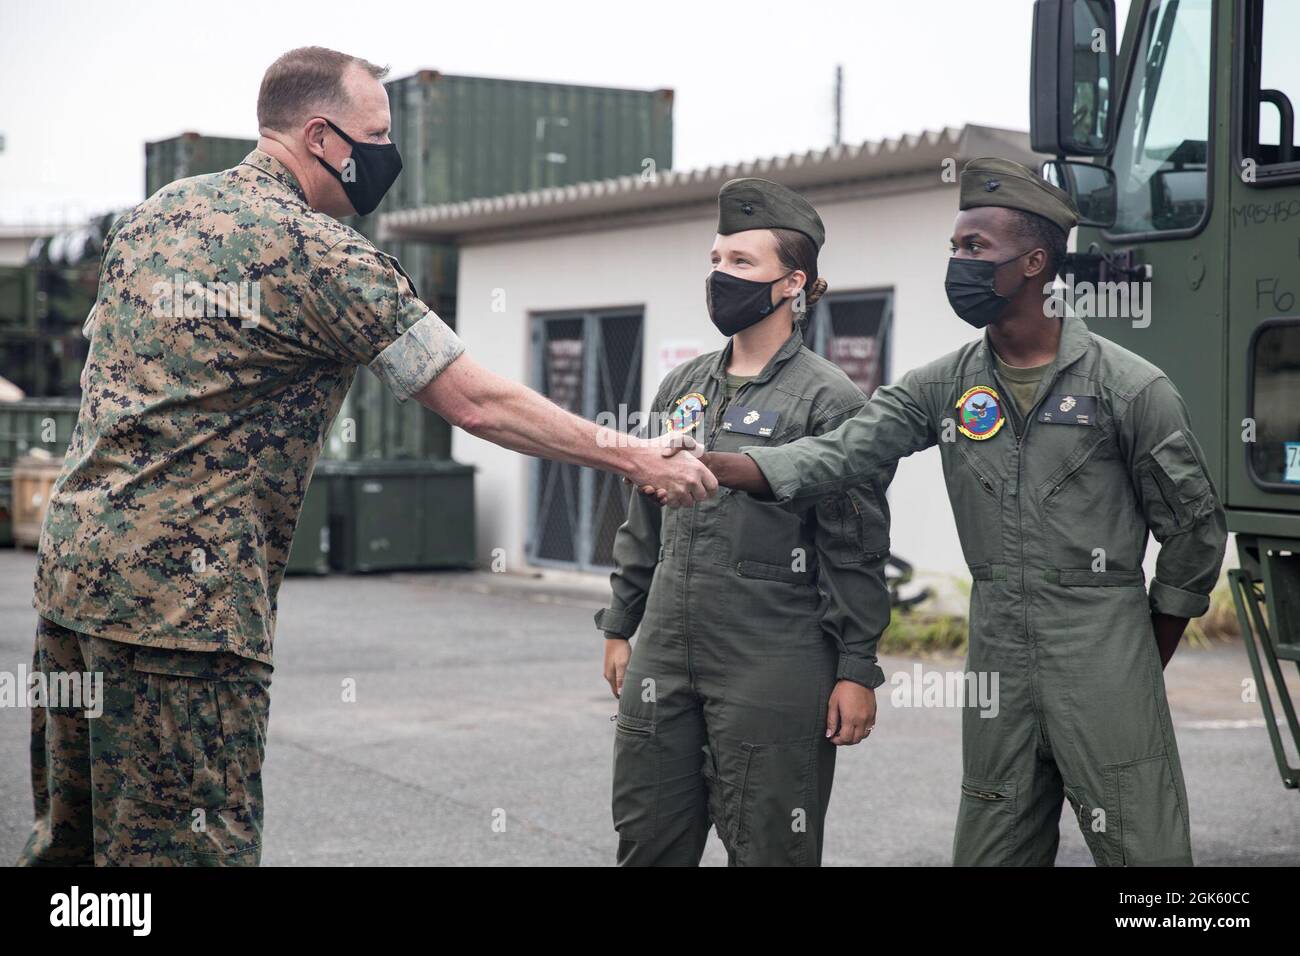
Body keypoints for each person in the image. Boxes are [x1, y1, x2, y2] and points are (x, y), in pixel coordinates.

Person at [19, 46, 712, 867]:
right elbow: (474, 401)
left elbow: (116, 363)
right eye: (376, 135)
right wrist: (634, 456)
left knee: (70, 851)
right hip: (181, 619)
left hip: (72, 584)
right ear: (321, 136)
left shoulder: (157, 215)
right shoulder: (317, 254)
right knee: (181, 854)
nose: (388, 157)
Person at [688, 159, 1228, 866]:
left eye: (975, 249)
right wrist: (722, 467)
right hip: (996, 652)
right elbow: (843, 451)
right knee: (991, 845)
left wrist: (1142, 644)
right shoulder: (945, 384)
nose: (958, 263)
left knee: (1144, 851)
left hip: (1103, 644)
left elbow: (1194, 530)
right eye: (953, 249)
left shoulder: (1129, 388)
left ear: (1034, 262)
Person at [598, 178, 894, 866]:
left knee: (770, 844)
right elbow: (642, 513)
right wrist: (621, 623)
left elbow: (854, 546)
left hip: (773, 656)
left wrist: (856, 667)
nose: (719, 275)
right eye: (715, 259)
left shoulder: (829, 398)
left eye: (740, 263)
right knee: (646, 835)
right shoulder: (684, 386)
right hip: (667, 649)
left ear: (793, 283)